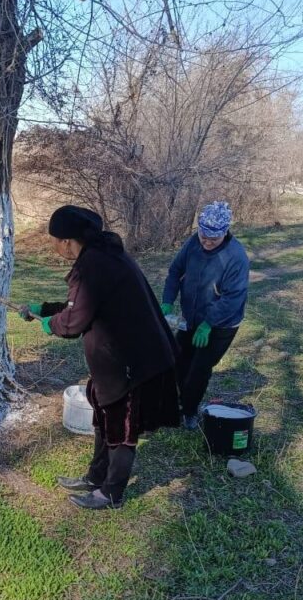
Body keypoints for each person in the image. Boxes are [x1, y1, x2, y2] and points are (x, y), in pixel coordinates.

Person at [19, 205, 180, 510]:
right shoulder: (102, 255)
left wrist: (50, 324)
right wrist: (45, 308)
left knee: (122, 430)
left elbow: (74, 322)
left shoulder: (94, 266)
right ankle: (96, 477)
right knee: (105, 420)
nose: (53, 247)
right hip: (116, 360)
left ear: (68, 241)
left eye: (55, 240)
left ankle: (111, 493)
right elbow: (80, 304)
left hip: (135, 363)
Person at [160, 200, 249, 430]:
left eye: (213, 239)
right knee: (179, 360)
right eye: (203, 237)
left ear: (225, 232)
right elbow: (175, 271)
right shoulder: (193, 243)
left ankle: (189, 412)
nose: (207, 243)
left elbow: (232, 298)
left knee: (199, 369)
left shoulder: (235, 257)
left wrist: (209, 323)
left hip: (221, 325)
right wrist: (168, 301)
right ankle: (179, 401)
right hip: (191, 317)